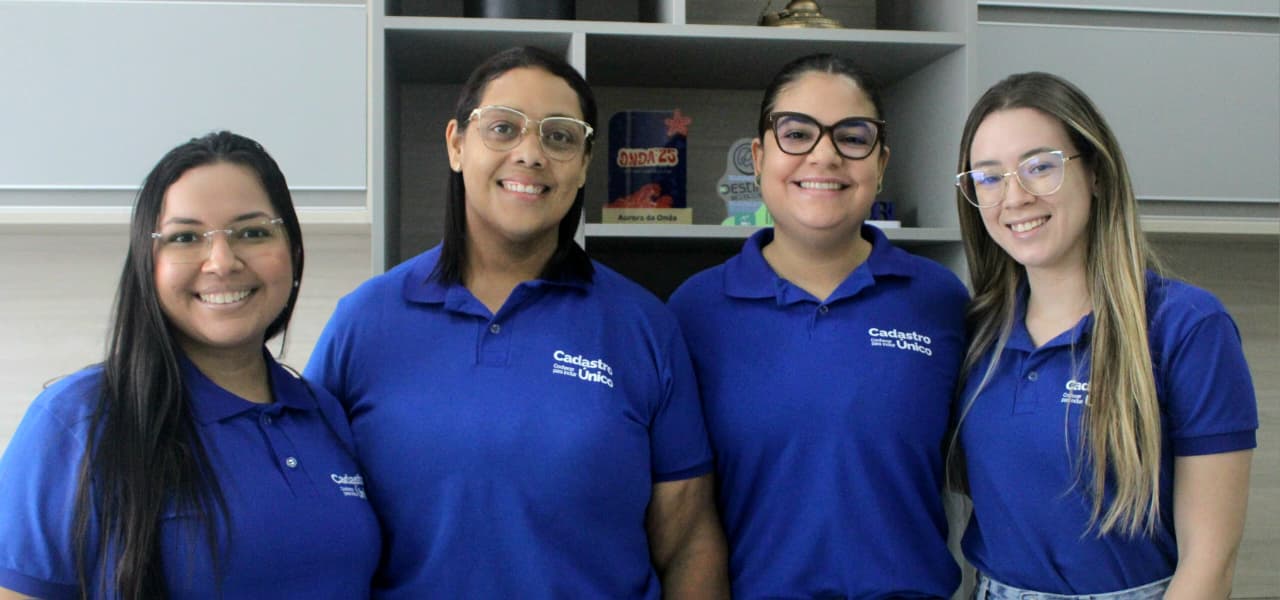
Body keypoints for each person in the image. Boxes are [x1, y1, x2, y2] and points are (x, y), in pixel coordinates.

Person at [304, 46, 728, 598]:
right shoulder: (363, 322)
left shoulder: (644, 326)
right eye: (503, 128)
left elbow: (688, 541)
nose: (530, 154)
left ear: (583, 164)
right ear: (457, 144)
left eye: (560, 136)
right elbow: (310, 517)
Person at [0, 131, 380, 599]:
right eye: (185, 237)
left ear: (294, 253)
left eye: (253, 232)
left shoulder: (323, 414)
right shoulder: (78, 420)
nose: (222, 262)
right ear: (148, 265)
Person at [666, 53, 968, 598]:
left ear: (880, 162)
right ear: (758, 157)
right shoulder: (692, 312)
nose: (824, 155)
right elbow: (678, 515)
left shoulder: (940, 301)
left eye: (852, 137)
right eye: (797, 134)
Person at [949, 71, 1258, 598]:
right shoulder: (976, 333)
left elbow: (1210, 563)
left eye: (1040, 167)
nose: (1014, 197)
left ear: (1095, 172)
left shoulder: (1186, 327)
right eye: (989, 177)